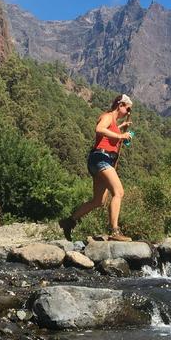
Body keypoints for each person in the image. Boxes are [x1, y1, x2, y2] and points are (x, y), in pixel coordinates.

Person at [59, 94, 134, 242]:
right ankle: (115, 231)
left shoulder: (113, 122)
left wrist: (120, 129)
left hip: (98, 160)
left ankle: (69, 221)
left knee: (98, 201)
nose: (129, 112)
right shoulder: (107, 116)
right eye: (128, 108)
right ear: (120, 105)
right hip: (101, 159)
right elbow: (99, 129)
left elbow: (107, 135)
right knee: (118, 192)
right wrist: (121, 136)